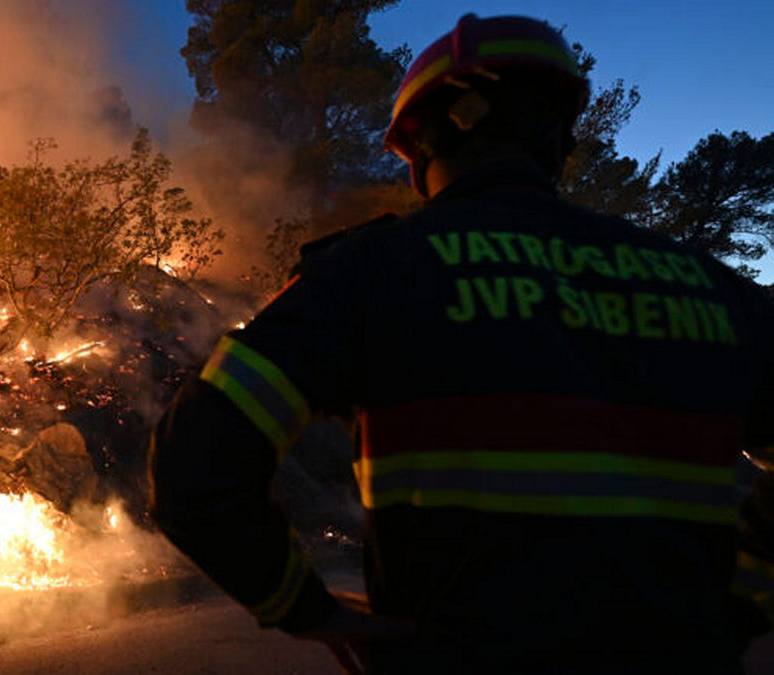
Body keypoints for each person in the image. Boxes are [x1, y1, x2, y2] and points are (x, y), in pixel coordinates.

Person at [149, 13, 774, 673]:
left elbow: (195, 459)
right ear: (559, 137)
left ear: (418, 146)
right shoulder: (711, 288)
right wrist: (739, 602)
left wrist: (303, 607)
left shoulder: (371, 272)